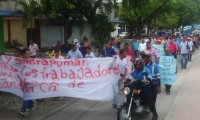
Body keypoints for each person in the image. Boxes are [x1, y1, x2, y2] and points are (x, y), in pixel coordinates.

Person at [19, 49, 34, 116]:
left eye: (29, 53)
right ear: (23, 54)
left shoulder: (33, 61)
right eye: (27, 53)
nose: (29, 54)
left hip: (30, 81)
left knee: (26, 95)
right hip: (23, 81)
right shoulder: (20, 61)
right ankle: (31, 105)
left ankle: (23, 109)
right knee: (28, 94)